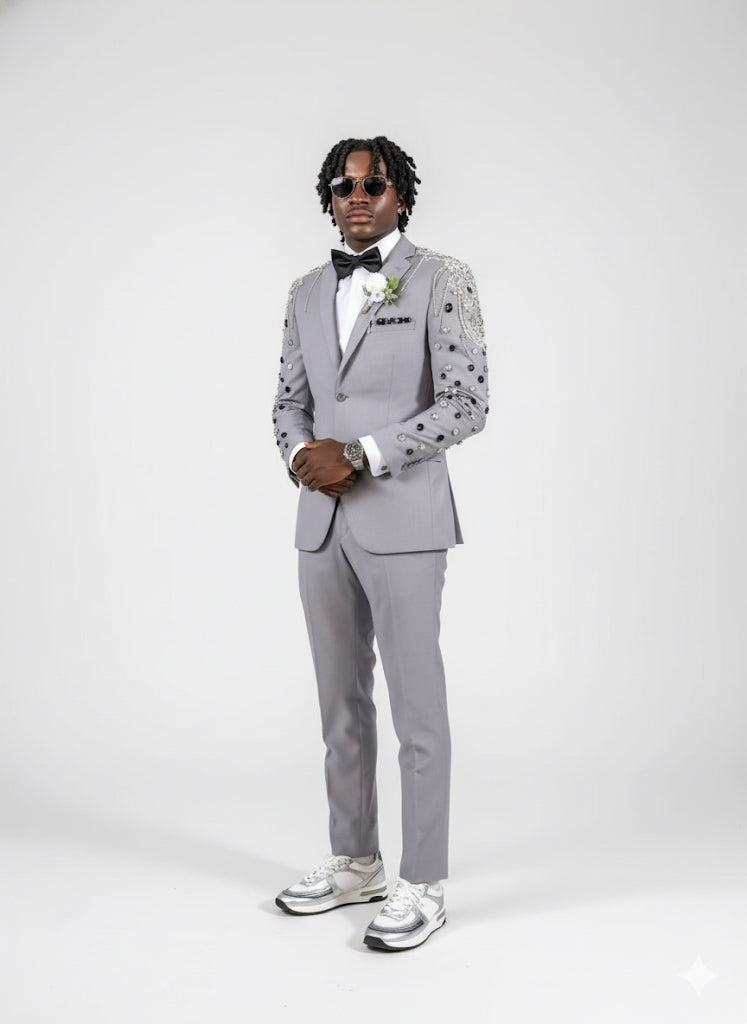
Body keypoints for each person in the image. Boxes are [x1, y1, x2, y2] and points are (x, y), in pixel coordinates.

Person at [271, 135, 488, 951]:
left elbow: (466, 402)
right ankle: (355, 861)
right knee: (340, 706)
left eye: (374, 184)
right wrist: (303, 456)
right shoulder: (303, 291)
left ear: (401, 196)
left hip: (403, 520)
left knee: (415, 709)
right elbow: (288, 400)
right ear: (328, 199)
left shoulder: (441, 278)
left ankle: (422, 881)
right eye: (343, 185)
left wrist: (361, 454)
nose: (356, 197)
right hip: (321, 520)